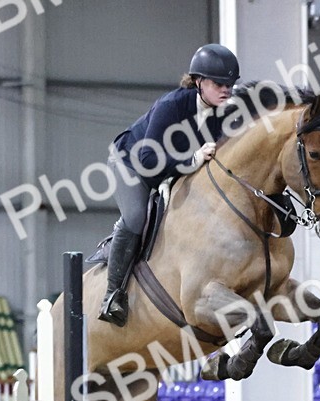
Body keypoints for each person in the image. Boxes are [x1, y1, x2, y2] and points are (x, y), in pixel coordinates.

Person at [98, 43, 240, 327]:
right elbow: (147, 157)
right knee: (137, 216)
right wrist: (193, 158)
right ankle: (113, 295)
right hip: (132, 164)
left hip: (171, 169)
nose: (226, 90)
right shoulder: (171, 105)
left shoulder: (224, 113)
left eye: (230, 84)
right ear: (198, 82)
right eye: (218, 84)